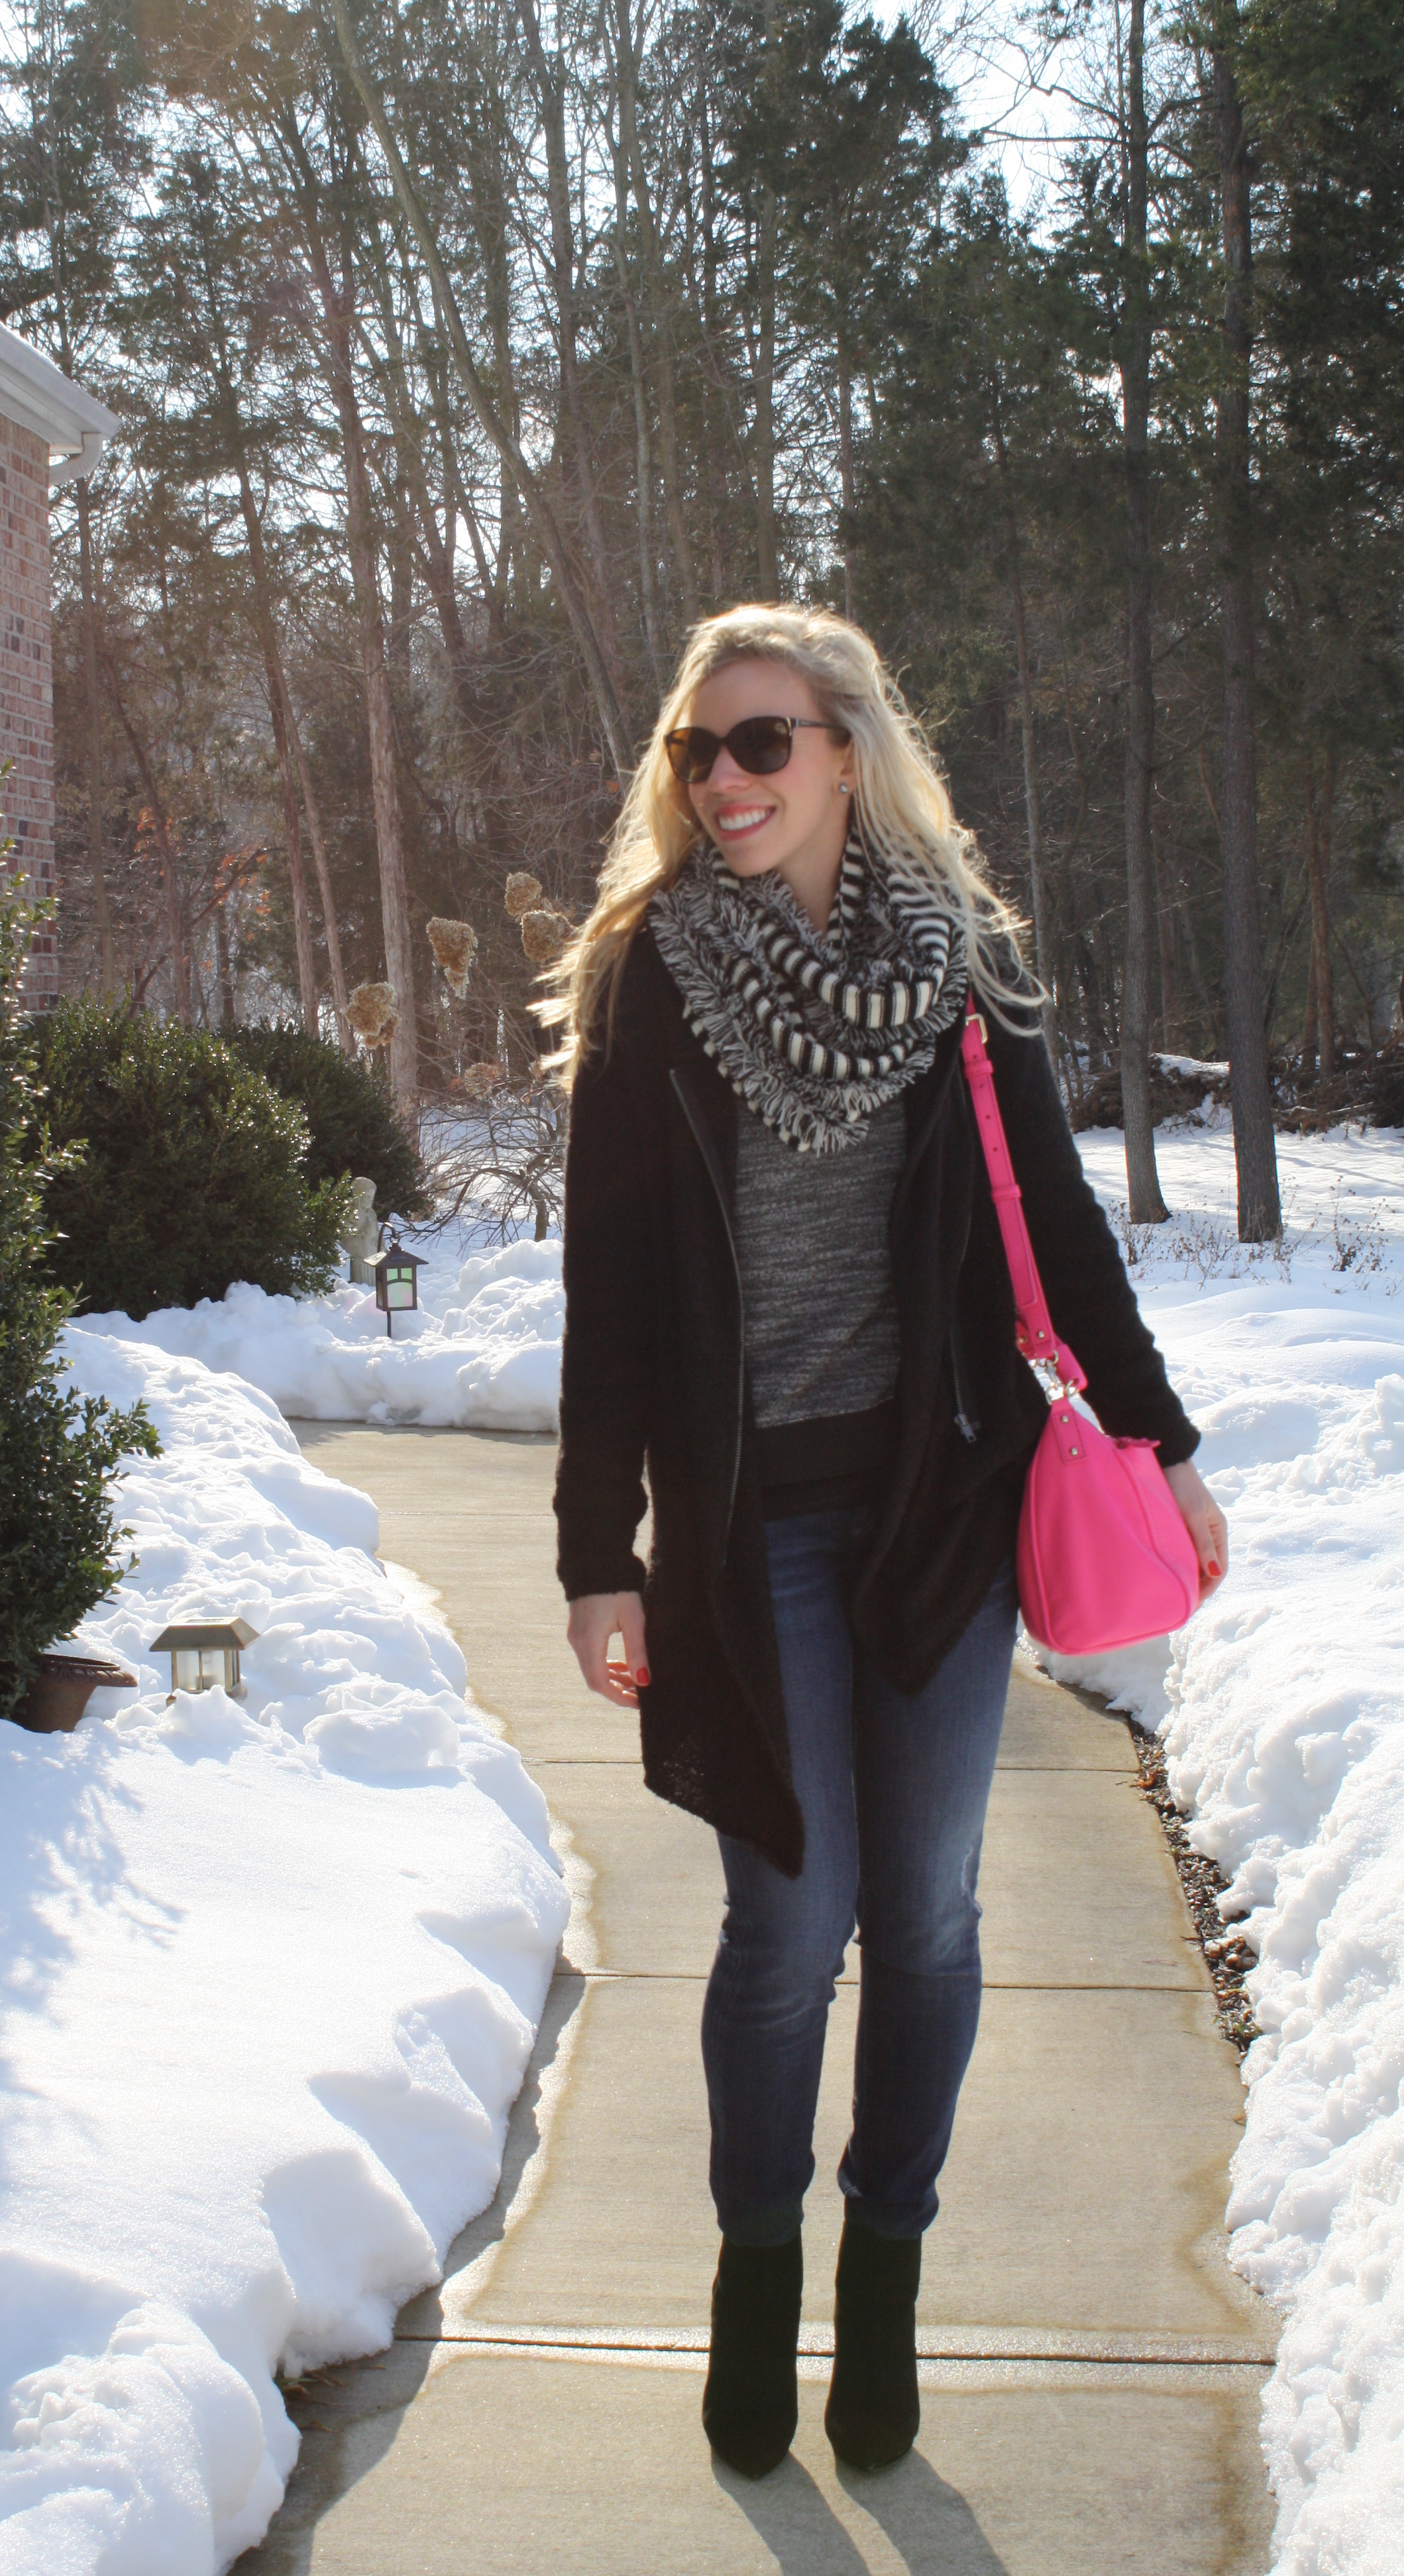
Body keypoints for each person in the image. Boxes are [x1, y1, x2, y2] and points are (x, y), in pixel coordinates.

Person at [543, 604, 1227, 2482]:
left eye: (761, 744)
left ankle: (892, 2280)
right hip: (748, 1524)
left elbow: (1062, 1240)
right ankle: (759, 2279)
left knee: (924, 1914)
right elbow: (610, 1298)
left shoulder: (960, 966)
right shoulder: (648, 977)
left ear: (848, 752)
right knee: (790, 1919)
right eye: (697, 753)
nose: (726, 782)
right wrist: (598, 1549)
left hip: (939, 1510)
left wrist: (1156, 1442)